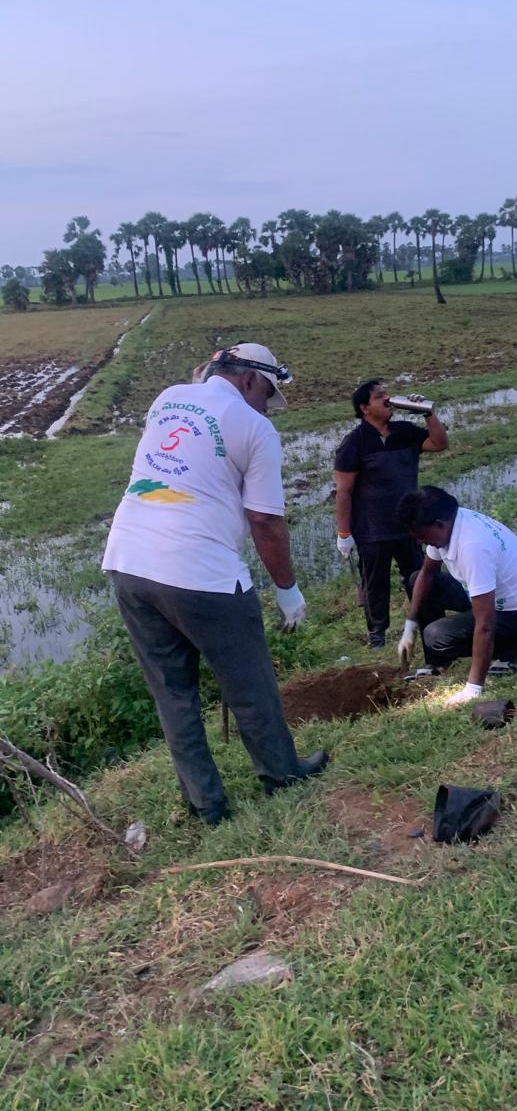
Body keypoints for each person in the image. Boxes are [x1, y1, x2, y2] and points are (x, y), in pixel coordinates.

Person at [102, 342, 328, 825]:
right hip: (201, 572)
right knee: (249, 684)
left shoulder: (168, 398)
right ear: (249, 380)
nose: (267, 405)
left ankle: (206, 805)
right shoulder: (255, 428)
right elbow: (264, 520)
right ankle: (281, 773)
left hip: (128, 563)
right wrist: (288, 591)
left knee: (173, 694)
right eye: (267, 393)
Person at [396, 486, 517, 705]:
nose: (419, 542)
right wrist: (410, 624)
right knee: (416, 580)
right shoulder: (450, 523)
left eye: (421, 536)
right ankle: (437, 664)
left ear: (439, 525)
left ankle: (516, 646)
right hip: (493, 594)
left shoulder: (473, 546)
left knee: (436, 636)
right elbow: (427, 574)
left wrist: (473, 688)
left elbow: (485, 624)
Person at [334, 379, 449, 648]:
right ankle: (377, 637)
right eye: (379, 396)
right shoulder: (354, 443)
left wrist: (427, 412)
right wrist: (344, 533)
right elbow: (343, 492)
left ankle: (431, 627)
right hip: (372, 529)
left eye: (387, 394)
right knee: (375, 584)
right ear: (364, 408)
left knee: (420, 577)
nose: (388, 399)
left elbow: (439, 443)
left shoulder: (405, 432)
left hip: (410, 526)